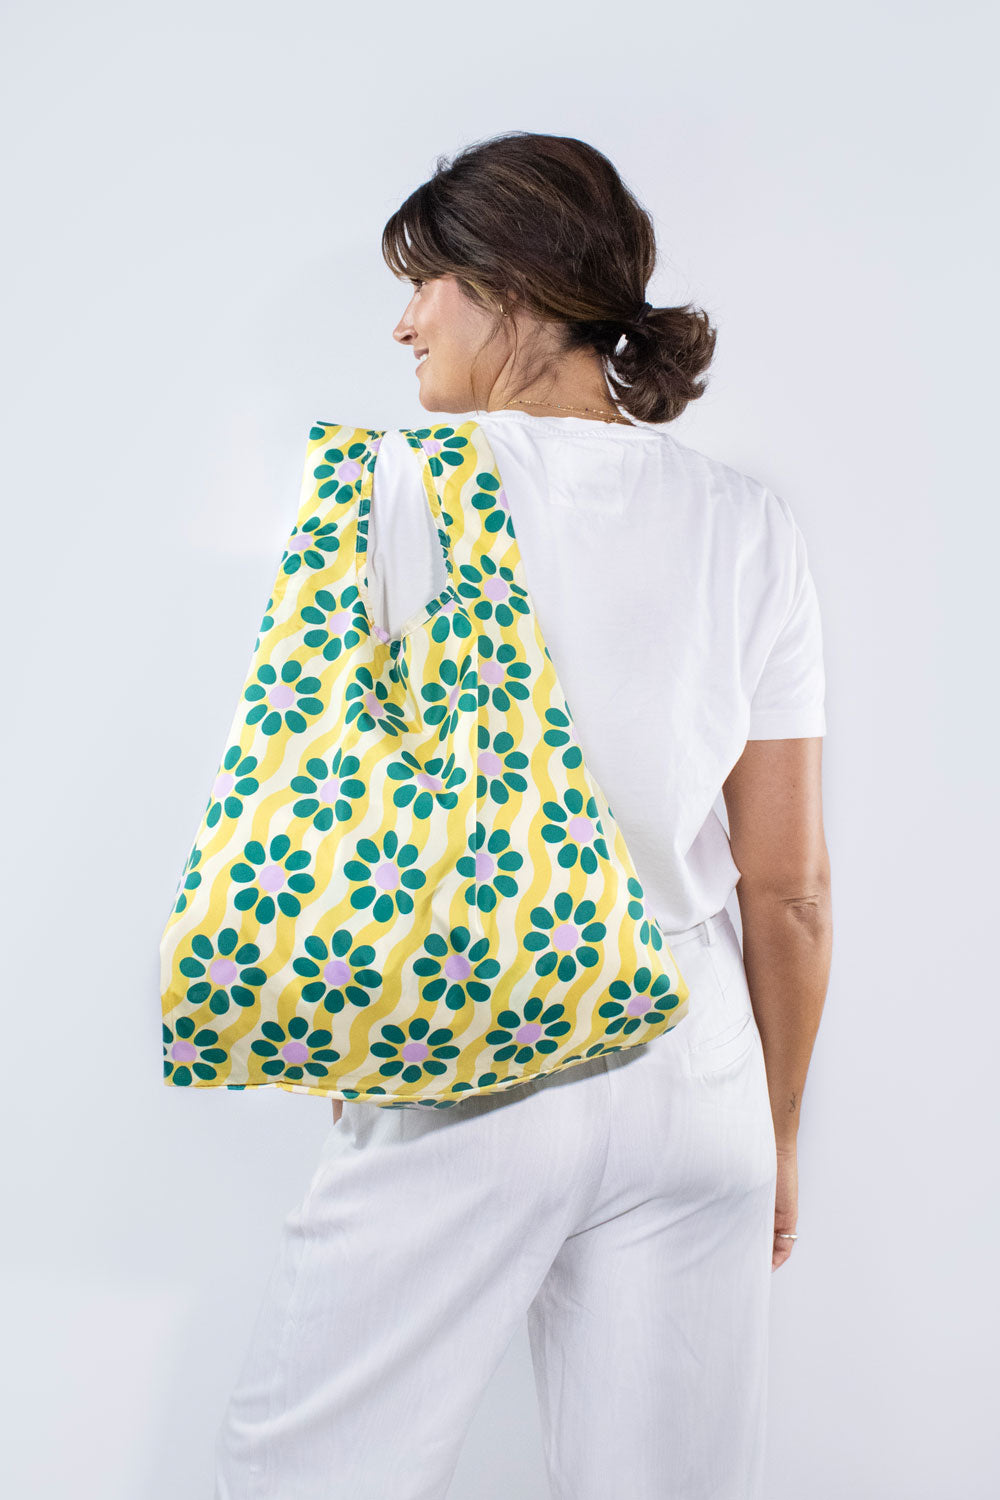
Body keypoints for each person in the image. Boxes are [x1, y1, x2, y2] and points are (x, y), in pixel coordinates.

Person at [214, 130, 831, 1500]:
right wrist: (780, 1129)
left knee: (304, 1471)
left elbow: (331, 801)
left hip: (473, 1041)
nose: (404, 322)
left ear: (513, 285)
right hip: (701, 1068)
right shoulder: (751, 525)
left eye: (424, 283)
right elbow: (787, 886)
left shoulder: (395, 488)